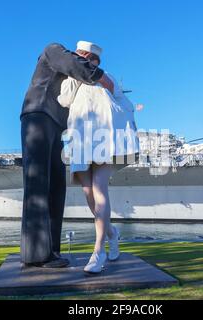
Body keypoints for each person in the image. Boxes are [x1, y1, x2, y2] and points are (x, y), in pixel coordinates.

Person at [20, 42, 114, 268]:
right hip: (38, 115)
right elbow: (73, 64)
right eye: (89, 58)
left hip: (56, 126)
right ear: (81, 53)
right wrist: (103, 78)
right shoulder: (53, 50)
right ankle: (36, 255)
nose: (90, 62)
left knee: (56, 188)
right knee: (38, 185)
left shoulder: (74, 81)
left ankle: (51, 251)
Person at [58, 41, 139, 273]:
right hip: (81, 138)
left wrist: (84, 69)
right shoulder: (72, 80)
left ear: (85, 56)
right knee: (89, 194)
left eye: (81, 56)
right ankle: (112, 234)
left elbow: (114, 90)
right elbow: (64, 100)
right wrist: (74, 74)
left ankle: (98, 251)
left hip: (104, 138)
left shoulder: (105, 76)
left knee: (99, 189)